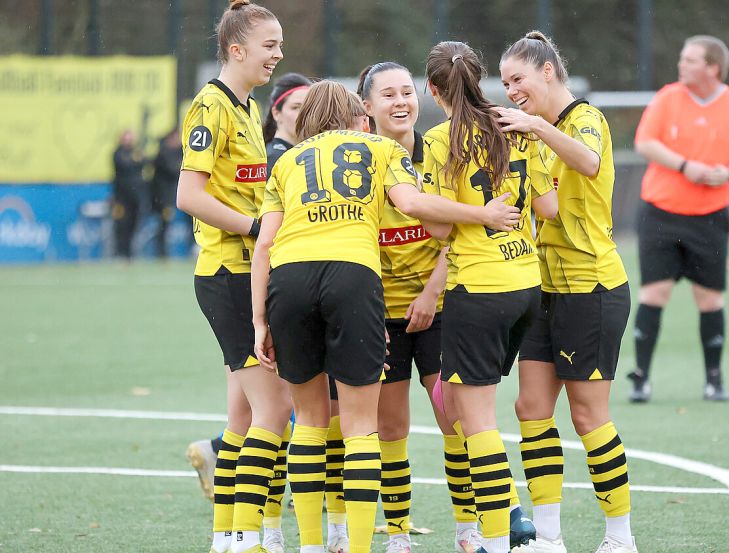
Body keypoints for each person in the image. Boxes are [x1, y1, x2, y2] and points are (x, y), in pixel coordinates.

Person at [251, 80, 521, 553]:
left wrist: (259, 320)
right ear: (360, 115)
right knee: (359, 427)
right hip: (353, 276)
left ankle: (311, 546)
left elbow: (265, 244)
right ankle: (359, 547)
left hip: (289, 280)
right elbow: (414, 204)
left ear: (307, 121)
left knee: (311, 423)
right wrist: (483, 215)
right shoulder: (379, 147)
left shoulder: (288, 161)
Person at [497, 32, 636, 553]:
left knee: (586, 415)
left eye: (519, 78)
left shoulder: (582, 119)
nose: (512, 90)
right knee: (530, 407)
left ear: (548, 71)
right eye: (506, 81)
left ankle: (620, 537)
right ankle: (548, 538)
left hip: (591, 287)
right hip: (542, 287)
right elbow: (549, 208)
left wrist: (535, 129)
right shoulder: (533, 136)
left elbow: (590, 163)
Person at [422, 40, 558, 553]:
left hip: (477, 288)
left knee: (477, 423)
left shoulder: (440, 139)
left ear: (434, 90)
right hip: (525, 283)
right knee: (460, 401)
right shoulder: (516, 124)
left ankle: (498, 542)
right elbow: (546, 207)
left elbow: (436, 230)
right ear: (482, 78)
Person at [175, 2, 293, 553]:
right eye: (269, 45)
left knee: (245, 416)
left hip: (248, 273)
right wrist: (256, 230)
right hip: (227, 274)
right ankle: (248, 538)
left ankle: (227, 538)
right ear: (236, 49)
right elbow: (189, 196)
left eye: (279, 44)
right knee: (274, 411)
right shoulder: (211, 107)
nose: (279, 54)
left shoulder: (247, 108)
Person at [357, 61, 481, 553]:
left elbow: (463, 235)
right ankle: (399, 534)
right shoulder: (360, 163)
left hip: (439, 305)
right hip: (381, 314)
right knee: (391, 427)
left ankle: (468, 527)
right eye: (387, 95)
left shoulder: (439, 151)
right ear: (366, 107)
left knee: (453, 416)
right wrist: (368, 312)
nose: (401, 102)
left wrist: (431, 293)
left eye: (406, 92)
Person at [631, 35, 729, 402]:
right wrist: (685, 166)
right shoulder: (667, 97)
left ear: (712, 68)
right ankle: (640, 378)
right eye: (682, 57)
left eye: (690, 59)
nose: (681, 64)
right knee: (653, 293)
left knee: (709, 299)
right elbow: (644, 141)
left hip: (709, 218)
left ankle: (714, 379)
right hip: (660, 212)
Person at [112, 129, 145, 260]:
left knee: (133, 224)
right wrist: (135, 160)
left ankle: (130, 253)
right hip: (121, 197)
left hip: (135, 196)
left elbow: (145, 162)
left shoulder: (136, 152)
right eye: (126, 137)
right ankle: (121, 253)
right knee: (122, 224)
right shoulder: (117, 153)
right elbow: (125, 165)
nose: (128, 140)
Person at [150, 127, 182, 258]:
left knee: (166, 223)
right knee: (164, 223)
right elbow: (172, 170)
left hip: (172, 195)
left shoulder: (178, 152)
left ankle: (163, 251)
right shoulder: (163, 153)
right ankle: (161, 252)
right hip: (163, 196)